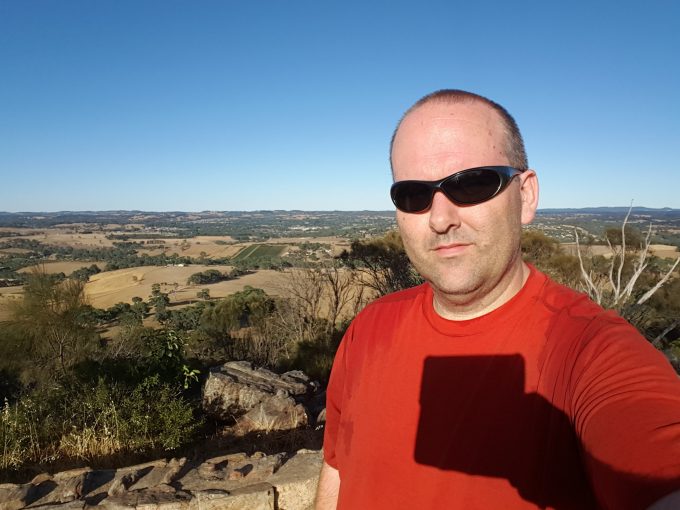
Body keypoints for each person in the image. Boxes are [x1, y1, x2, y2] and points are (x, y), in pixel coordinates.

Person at [314, 90, 680, 510]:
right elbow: (339, 468)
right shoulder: (369, 328)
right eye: (414, 195)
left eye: (472, 184)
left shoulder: (591, 351)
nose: (439, 218)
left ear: (525, 196)